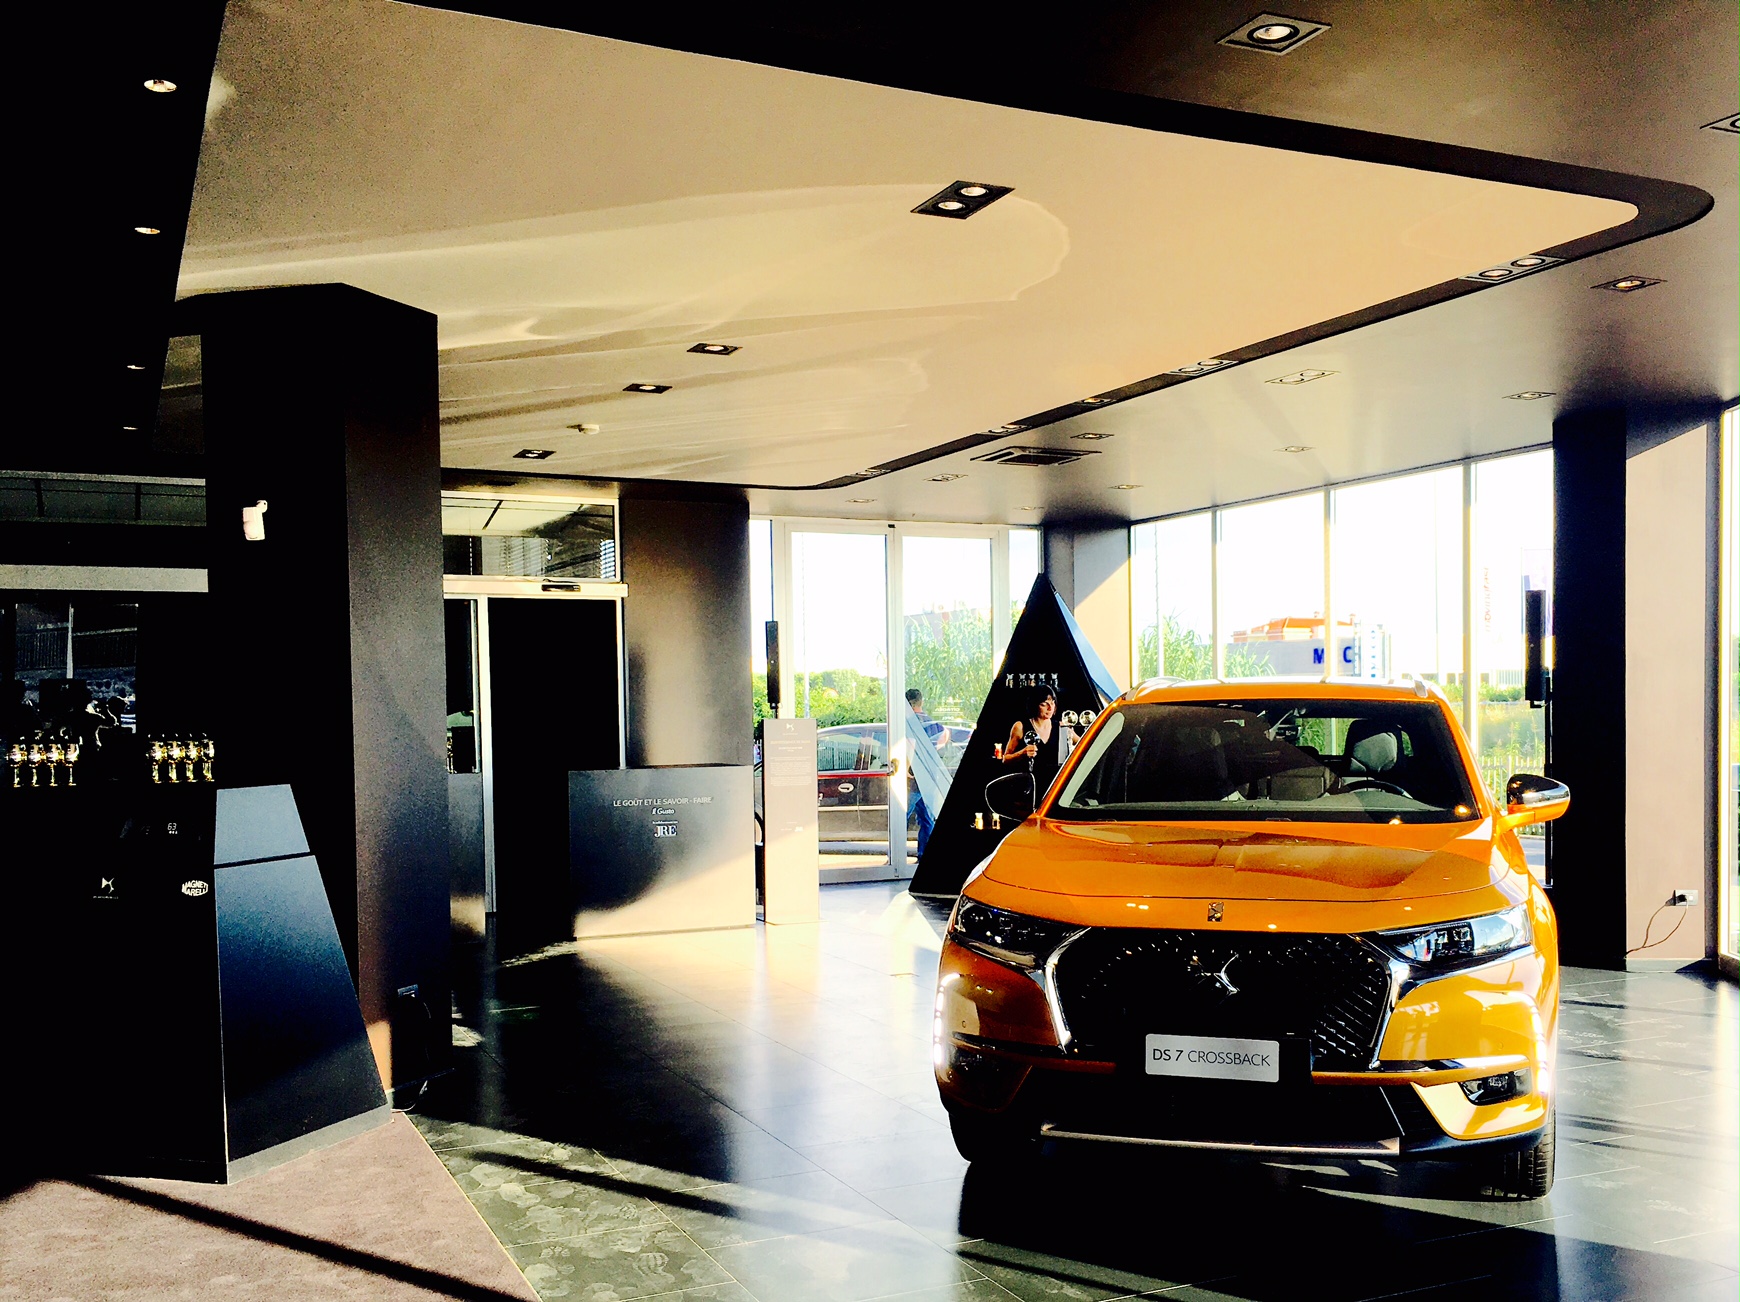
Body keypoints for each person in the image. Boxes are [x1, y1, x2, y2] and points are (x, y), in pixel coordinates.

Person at [998, 683, 1072, 797]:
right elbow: (1006, 759)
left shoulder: (1061, 727)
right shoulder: (1020, 726)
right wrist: (1022, 753)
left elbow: (1084, 743)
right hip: (1029, 788)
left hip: (1054, 788)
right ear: (1035, 705)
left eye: (1052, 703)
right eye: (1044, 704)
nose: (1050, 708)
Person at [905, 687, 944, 856]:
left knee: (902, 815)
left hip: (915, 777)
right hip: (930, 775)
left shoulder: (911, 722)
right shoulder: (932, 723)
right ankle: (925, 854)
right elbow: (943, 737)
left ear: (908, 704)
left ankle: (897, 855)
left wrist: (905, 768)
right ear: (921, 702)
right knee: (926, 817)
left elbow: (911, 744)